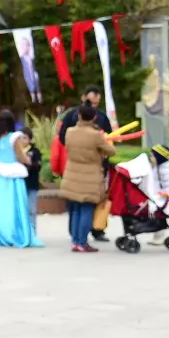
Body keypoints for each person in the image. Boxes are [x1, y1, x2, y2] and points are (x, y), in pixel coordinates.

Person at [61, 104, 115, 253]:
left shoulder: (70, 132)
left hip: (72, 174)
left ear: (78, 116)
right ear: (95, 118)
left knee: (76, 209)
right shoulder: (95, 135)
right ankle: (83, 242)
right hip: (90, 176)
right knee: (86, 209)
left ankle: (75, 242)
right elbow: (111, 151)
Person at [0, 110, 41, 248]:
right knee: (13, 207)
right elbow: (22, 157)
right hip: (11, 177)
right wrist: (30, 161)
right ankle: (14, 234)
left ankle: (0, 235)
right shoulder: (13, 138)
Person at [22, 126, 43, 238]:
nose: (22, 140)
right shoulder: (16, 151)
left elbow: (38, 166)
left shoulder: (35, 152)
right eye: (20, 138)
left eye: (25, 138)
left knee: (31, 209)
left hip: (31, 185)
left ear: (30, 139)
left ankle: (32, 232)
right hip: (20, 185)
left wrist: (29, 162)